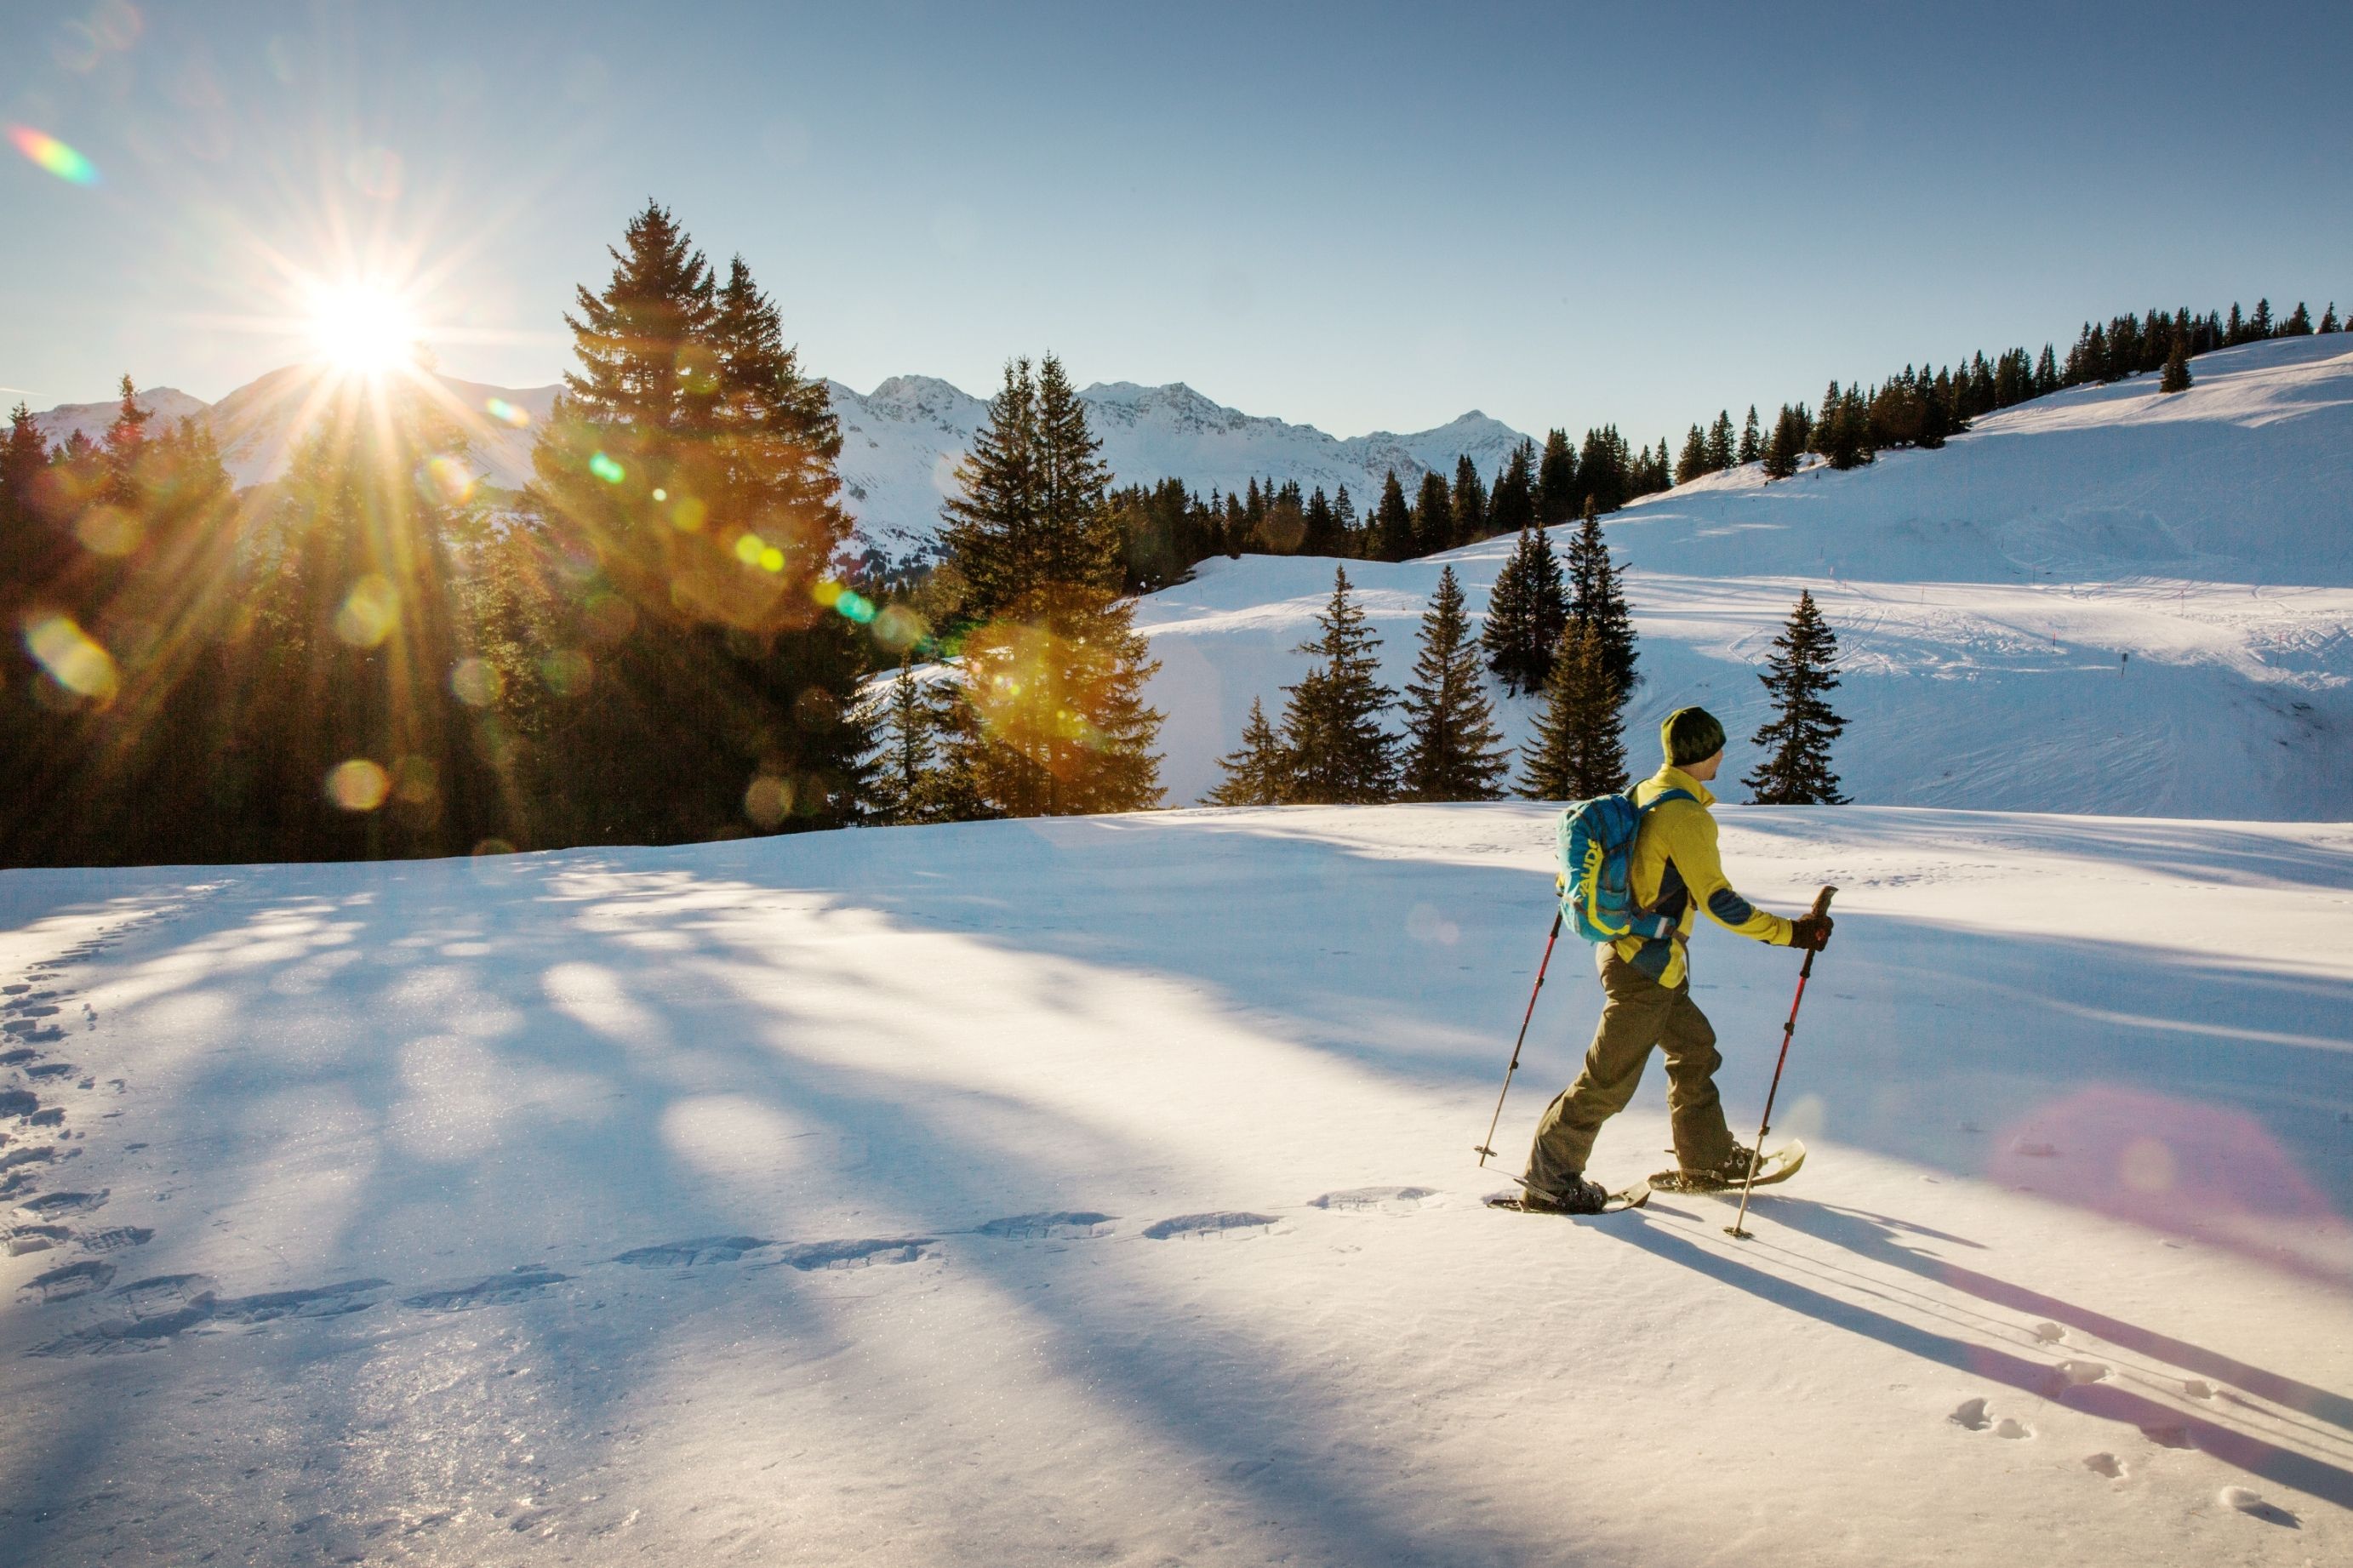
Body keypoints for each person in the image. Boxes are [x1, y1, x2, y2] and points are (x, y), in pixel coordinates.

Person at [1521, 705, 1833, 1212]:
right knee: (1607, 1081)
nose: (1722, 756)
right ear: (1703, 752)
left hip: (1641, 959)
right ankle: (1549, 1181)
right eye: (1717, 748)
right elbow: (1720, 903)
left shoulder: (1646, 792)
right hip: (1643, 968)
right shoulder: (1686, 815)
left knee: (1694, 1050)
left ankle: (1707, 1159)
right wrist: (1791, 934)